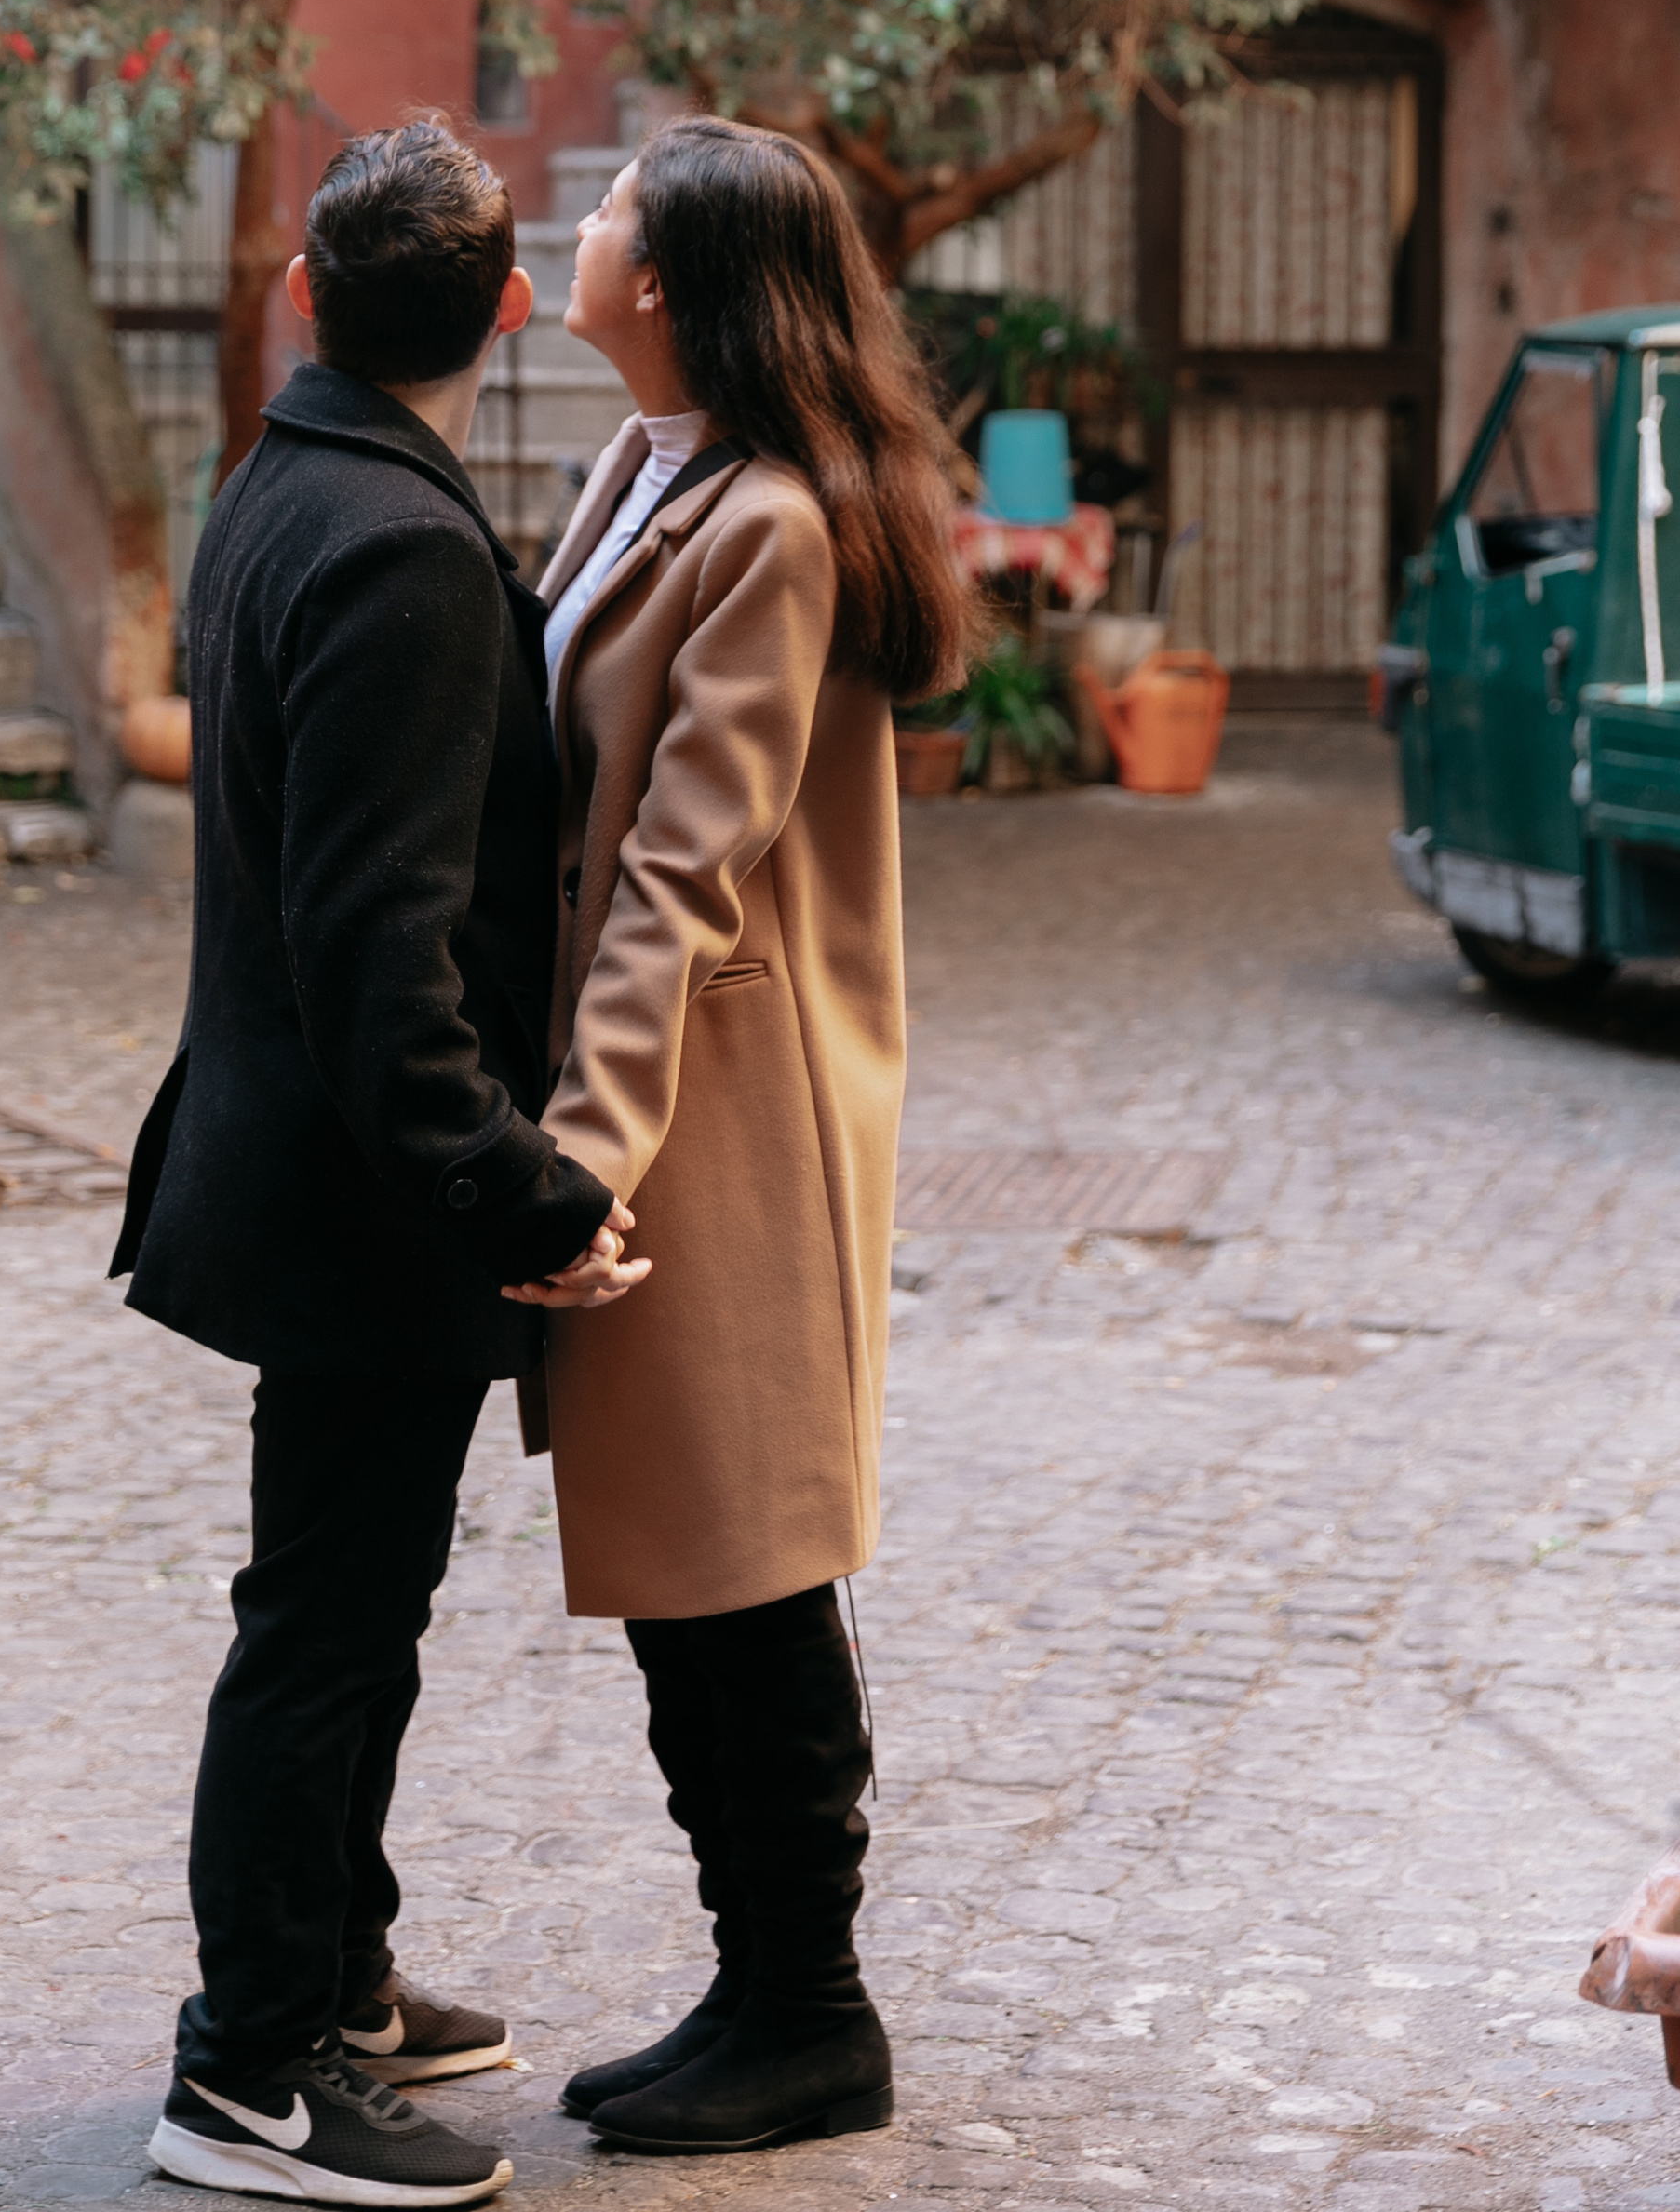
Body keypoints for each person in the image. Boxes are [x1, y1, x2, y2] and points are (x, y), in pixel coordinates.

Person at [111, 119, 647, 2208]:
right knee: (324, 1627)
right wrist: (525, 1191)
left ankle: (329, 1981)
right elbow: (375, 953)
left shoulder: (277, 483)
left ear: (301, 301)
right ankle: (244, 2077)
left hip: (292, 1170)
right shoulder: (402, 547)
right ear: (506, 314)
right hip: (352, 1202)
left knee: (345, 1610)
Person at [504, 115, 971, 2158]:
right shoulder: (643, 466)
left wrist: (577, 1158)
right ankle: (756, 1983)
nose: (575, 229)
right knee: (692, 1562)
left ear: (671, 281)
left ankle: (812, 2009)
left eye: (603, 211)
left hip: (722, 1106)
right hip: (643, 1090)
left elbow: (684, 879)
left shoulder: (770, 521)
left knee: (744, 1555)